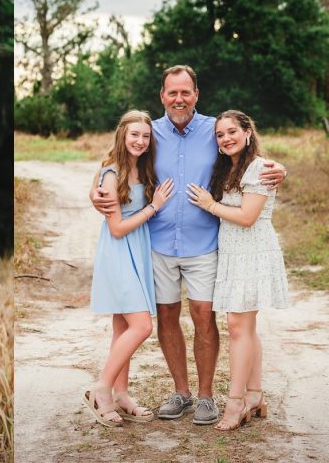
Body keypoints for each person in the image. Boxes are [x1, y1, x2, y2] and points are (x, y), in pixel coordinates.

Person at [91, 66, 285, 425]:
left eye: (185, 92)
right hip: (158, 243)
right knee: (166, 317)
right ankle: (181, 392)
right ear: (162, 95)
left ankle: (208, 397)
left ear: (196, 94)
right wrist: (95, 190)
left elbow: (246, 155)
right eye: (171, 93)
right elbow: (118, 161)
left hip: (205, 243)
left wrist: (279, 171)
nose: (178, 99)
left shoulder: (214, 130)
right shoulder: (151, 133)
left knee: (203, 317)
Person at [186, 110, 289, 431]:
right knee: (246, 326)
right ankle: (255, 396)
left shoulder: (260, 168)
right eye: (220, 134)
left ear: (247, 132)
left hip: (253, 252)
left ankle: (235, 403)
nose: (226, 138)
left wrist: (209, 204)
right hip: (233, 252)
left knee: (237, 326)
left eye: (232, 131)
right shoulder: (228, 169)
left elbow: (247, 217)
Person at [84, 110, 174, 426]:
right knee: (142, 326)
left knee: (123, 328)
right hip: (120, 253)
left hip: (138, 252)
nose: (140, 140)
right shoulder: (112, 173)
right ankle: (101, 388)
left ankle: (121, 394)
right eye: (134, 134)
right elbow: (118, 228)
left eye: (145, 136)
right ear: (122, 135)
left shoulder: (142, 170)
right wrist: (154, 207)